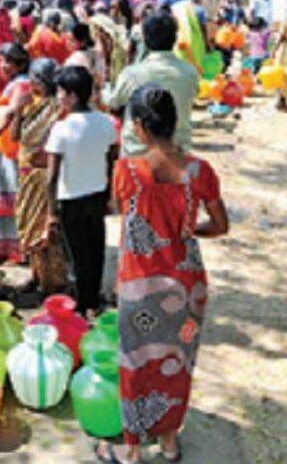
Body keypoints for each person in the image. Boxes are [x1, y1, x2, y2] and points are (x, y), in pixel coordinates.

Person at [97, 85, 228, 464]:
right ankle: (169, 440)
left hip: (140, 285)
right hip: (189, 285)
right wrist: (187, 231)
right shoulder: (201, 171)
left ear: (139, 126)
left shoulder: (127, 171)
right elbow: (220, 225)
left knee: (136, 363)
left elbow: (122, 210)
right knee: (178, 361)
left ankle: (133, 448)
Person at [44, 66, 117, 318]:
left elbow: (51, 176)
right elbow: (111, 160)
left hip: (70, 199)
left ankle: (81, 305)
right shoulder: (106, 123)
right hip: (97, 196)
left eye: (61, 93)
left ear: (73, 96)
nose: (58, 97)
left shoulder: (61, 129)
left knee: (75, 255)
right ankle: (93, 301)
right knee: (96, 250)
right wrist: (109, 195)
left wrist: (50, 213)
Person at [104, 12, 199, 157]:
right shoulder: (190, 73)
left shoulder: (132, 74)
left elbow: (113, 102)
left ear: (145, 40)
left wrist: (104, 89)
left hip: (137, 153)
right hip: (178, 153)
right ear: (174, 39)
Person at [12, 59, 69, 300]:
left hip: (45, 176)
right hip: (27, 176)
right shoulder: (32, 106)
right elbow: (16, 136)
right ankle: (36, 276)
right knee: (29, 227)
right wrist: (16, 110)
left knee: (46, 232)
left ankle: (51, 285)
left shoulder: (57, 109)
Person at [0, 43, 32, 263]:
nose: (2, 66)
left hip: (9, 151)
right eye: (1, 60)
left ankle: (15, 248)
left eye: (7, 61)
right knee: (7, 197)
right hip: (5, 150)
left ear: (19, 64)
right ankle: (7, 246)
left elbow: (12, 113)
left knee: (11, 197)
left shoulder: (21, 85)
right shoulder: (16, 83)